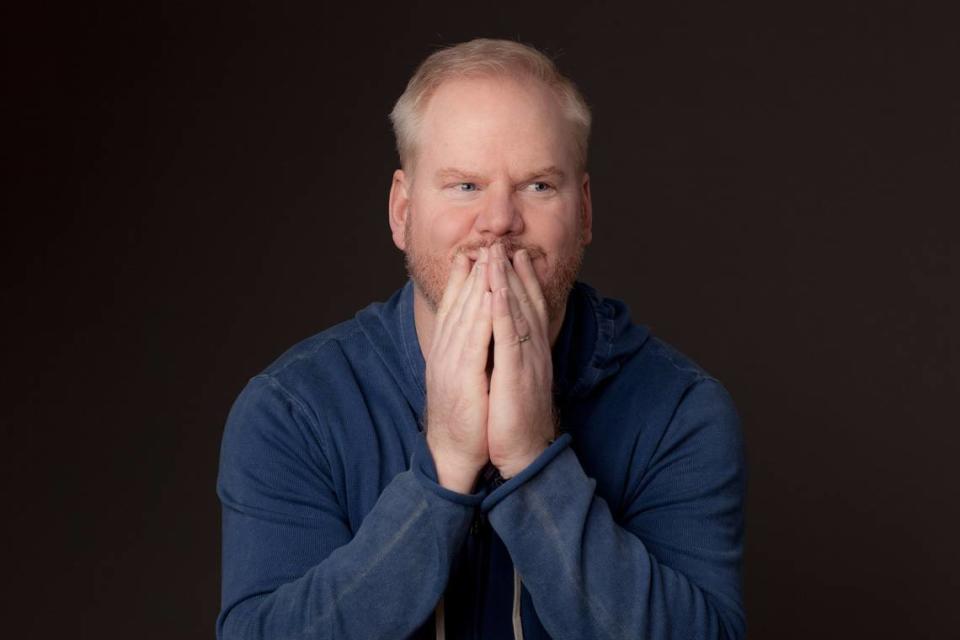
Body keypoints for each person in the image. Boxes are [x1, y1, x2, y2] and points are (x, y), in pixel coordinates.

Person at [217, 38, 746, 640]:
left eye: (538, 186)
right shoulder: (292, 411)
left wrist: (531, 462)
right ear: (402, 212)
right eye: (465, 185)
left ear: (586, 212)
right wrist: (443, 469)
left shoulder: (680, 412)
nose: (499, 220)